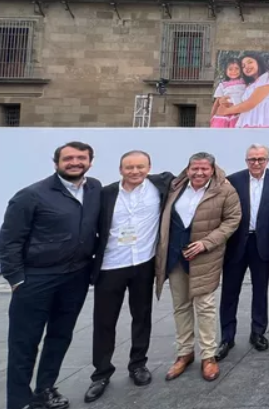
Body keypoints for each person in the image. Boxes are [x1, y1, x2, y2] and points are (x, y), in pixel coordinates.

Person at [2, 142, 101, 409]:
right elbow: (9, 240)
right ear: (56, 162)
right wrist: (16, 279)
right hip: (37, 279)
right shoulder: (31, 195)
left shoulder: (94, 189)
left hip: (76, 277)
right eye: (68, 158)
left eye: (81, 158)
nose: (75, 162)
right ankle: (19, 402)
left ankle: (45, 389)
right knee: (25, 343)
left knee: (60, 336)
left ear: (90, 162)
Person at [86, 151, 173, 403]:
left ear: (150, 167)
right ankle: (101, 373)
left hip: (143, 264)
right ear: (120, 169)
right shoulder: (106, 194)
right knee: (104, 321)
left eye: (140, 167)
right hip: (111, 265)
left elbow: (198, 173)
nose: (135, 171)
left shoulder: (160, 186)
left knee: (142, 316)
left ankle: (138, 364)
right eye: (129, 167)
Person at [155, 152, 240, 382]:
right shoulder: (174, 186)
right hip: (174, 257)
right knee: (181, 306)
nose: (199, 172)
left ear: (212, 169)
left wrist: (206, 243)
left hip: (204, 258)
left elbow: (232, 220)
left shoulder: (224, 190)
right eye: (195, 168)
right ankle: (184, 353)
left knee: (205, 307)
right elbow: (141, 176)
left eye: (204, 169)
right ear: (188, 168)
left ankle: (208, 356)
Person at [219, 144, 269, 359]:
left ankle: (258, 332)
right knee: (230, 291)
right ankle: (227, 336)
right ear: (246, 160)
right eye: (252, 159)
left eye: (260, 159)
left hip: (263, 243)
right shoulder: (233, 180)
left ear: (267, 160)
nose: (256, 163)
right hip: (236, 243)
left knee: (260, 289)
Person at [217, 53, 269, 128]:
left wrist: (226, 111)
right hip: (246, 124)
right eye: (243, 66)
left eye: (250, 62)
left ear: (258, 62)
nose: (246, 67)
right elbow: (240, 103)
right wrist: (224, 102)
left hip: (264, 123)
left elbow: (251, 103)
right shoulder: (249, 85)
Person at [211, 59, 246, 128]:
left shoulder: (244, 83)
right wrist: (212, 117)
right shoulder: (223, 85)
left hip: (239, 111)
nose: (234, 71)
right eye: (230, 69)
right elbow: (216, 102)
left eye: (236, 69)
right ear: (226, 71)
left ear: (241, 70)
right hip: (225, 112)